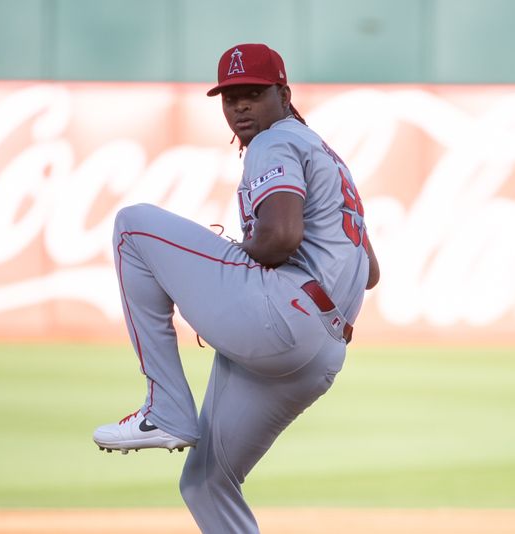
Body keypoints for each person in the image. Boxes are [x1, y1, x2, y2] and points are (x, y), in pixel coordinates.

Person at [92, 43, 380, 533]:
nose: (241, 106)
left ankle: (165, 407)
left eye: (254, 93)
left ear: (284, 94)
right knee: (205, 483)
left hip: (283, 318)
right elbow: (370, 271)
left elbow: (279, 240)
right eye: (230, 97)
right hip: (322, 353)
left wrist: (231, 266)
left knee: (133, 226)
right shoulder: (327, 156)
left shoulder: (276, 140)